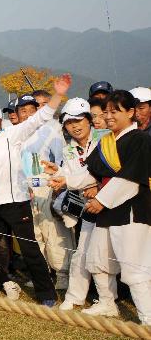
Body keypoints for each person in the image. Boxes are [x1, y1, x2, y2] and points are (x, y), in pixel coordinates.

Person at [0, 74, 72, 306]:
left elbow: (40, 118)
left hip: (16, 202)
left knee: (30, 250)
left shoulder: (10, 135)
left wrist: (58, 94)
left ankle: (46, 294)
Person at [44, 98, 117, 316]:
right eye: (69, 123)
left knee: (107, 256)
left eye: (79, 120)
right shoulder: (68, 150)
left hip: (112, 204)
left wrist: (97, 186)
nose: (75, 126)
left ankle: (109, 301)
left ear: (89, 120)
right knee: (83, 253)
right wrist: (57, 172)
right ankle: (77, 297)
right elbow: (73, 177)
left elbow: (113, 171)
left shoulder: (105, 139)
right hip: (89, 208)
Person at [84, 90, 151, 324]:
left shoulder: (142, 139)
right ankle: (107, 303)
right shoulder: (106, 141)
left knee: (135, 266)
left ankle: (148, 317)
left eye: (115, 111)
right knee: (97, 258)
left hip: (132, 209)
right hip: (107, 210)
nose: (108, 116)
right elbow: (89, 172)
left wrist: (101, 200)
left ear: (130, 112)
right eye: (106, 111)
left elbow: (131, 179)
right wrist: (62, 178)